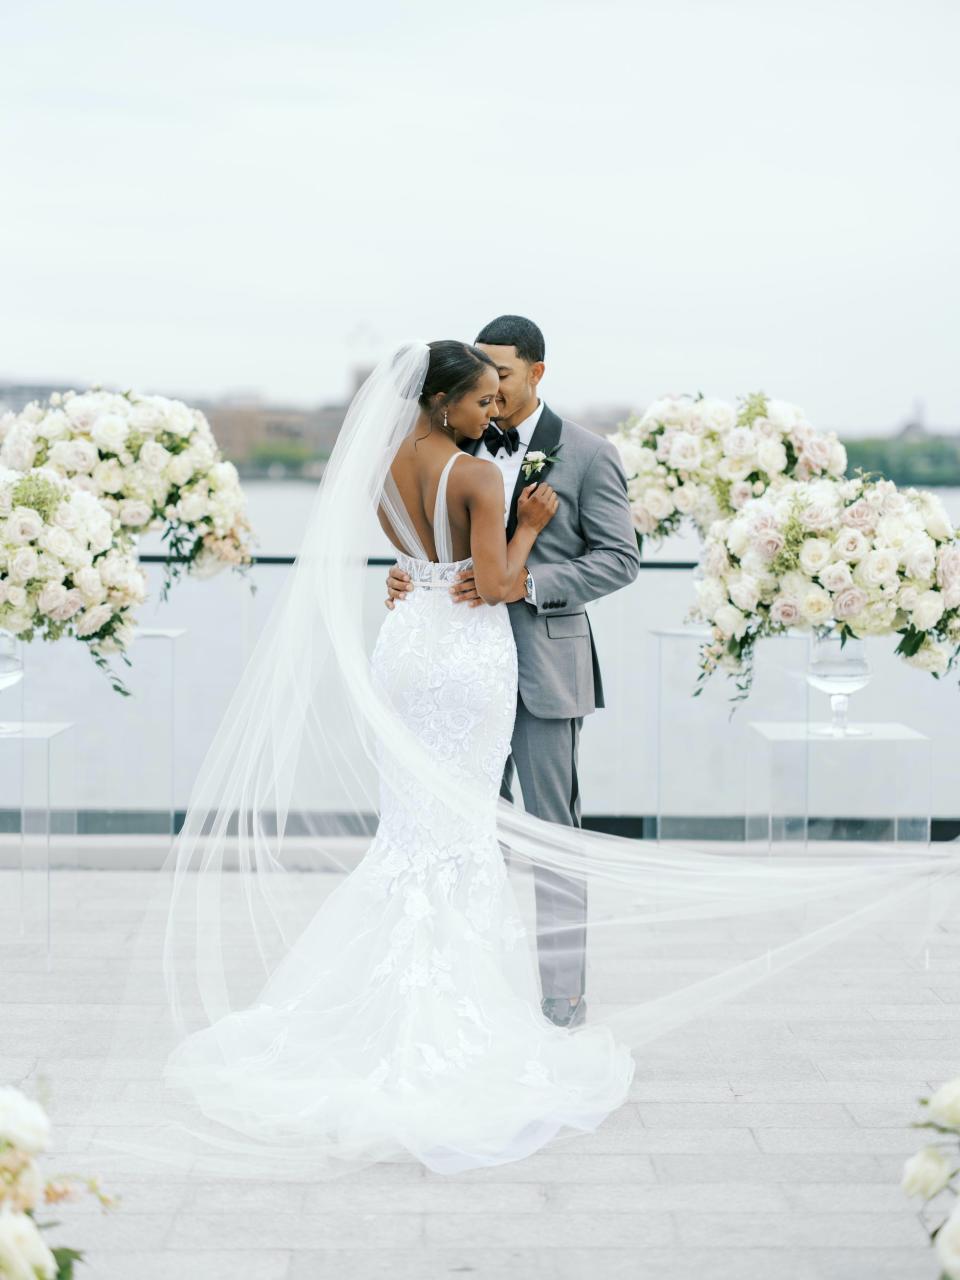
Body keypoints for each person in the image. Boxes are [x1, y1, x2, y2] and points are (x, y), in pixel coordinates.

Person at [386, 316, 641, 1027]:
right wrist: (411, 577)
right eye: (482, 372)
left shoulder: (588, 454)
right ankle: (471, 995)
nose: (491, 386)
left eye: (503, 371)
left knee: (552, 837)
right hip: (457, 668)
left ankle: (563, 1000)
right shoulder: (456, 438)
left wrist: (525, 582)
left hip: (540, 670)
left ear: (537, 371)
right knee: (463, 833)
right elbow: (435, 530)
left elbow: (620, 559)